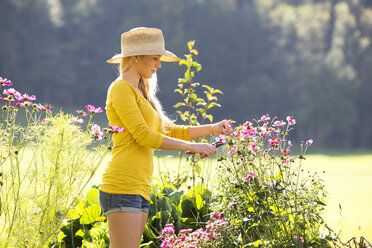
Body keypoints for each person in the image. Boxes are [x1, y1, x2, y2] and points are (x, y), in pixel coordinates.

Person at [99, 27, 233, 248]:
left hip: (139, 186)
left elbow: (168, 131)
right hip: (122, 185)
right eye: (154, 58)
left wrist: (212, 128)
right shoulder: (121, 89)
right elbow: (144, 136)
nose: (158, 64)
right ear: (135, 58)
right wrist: (193, 146)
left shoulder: (142, 92)